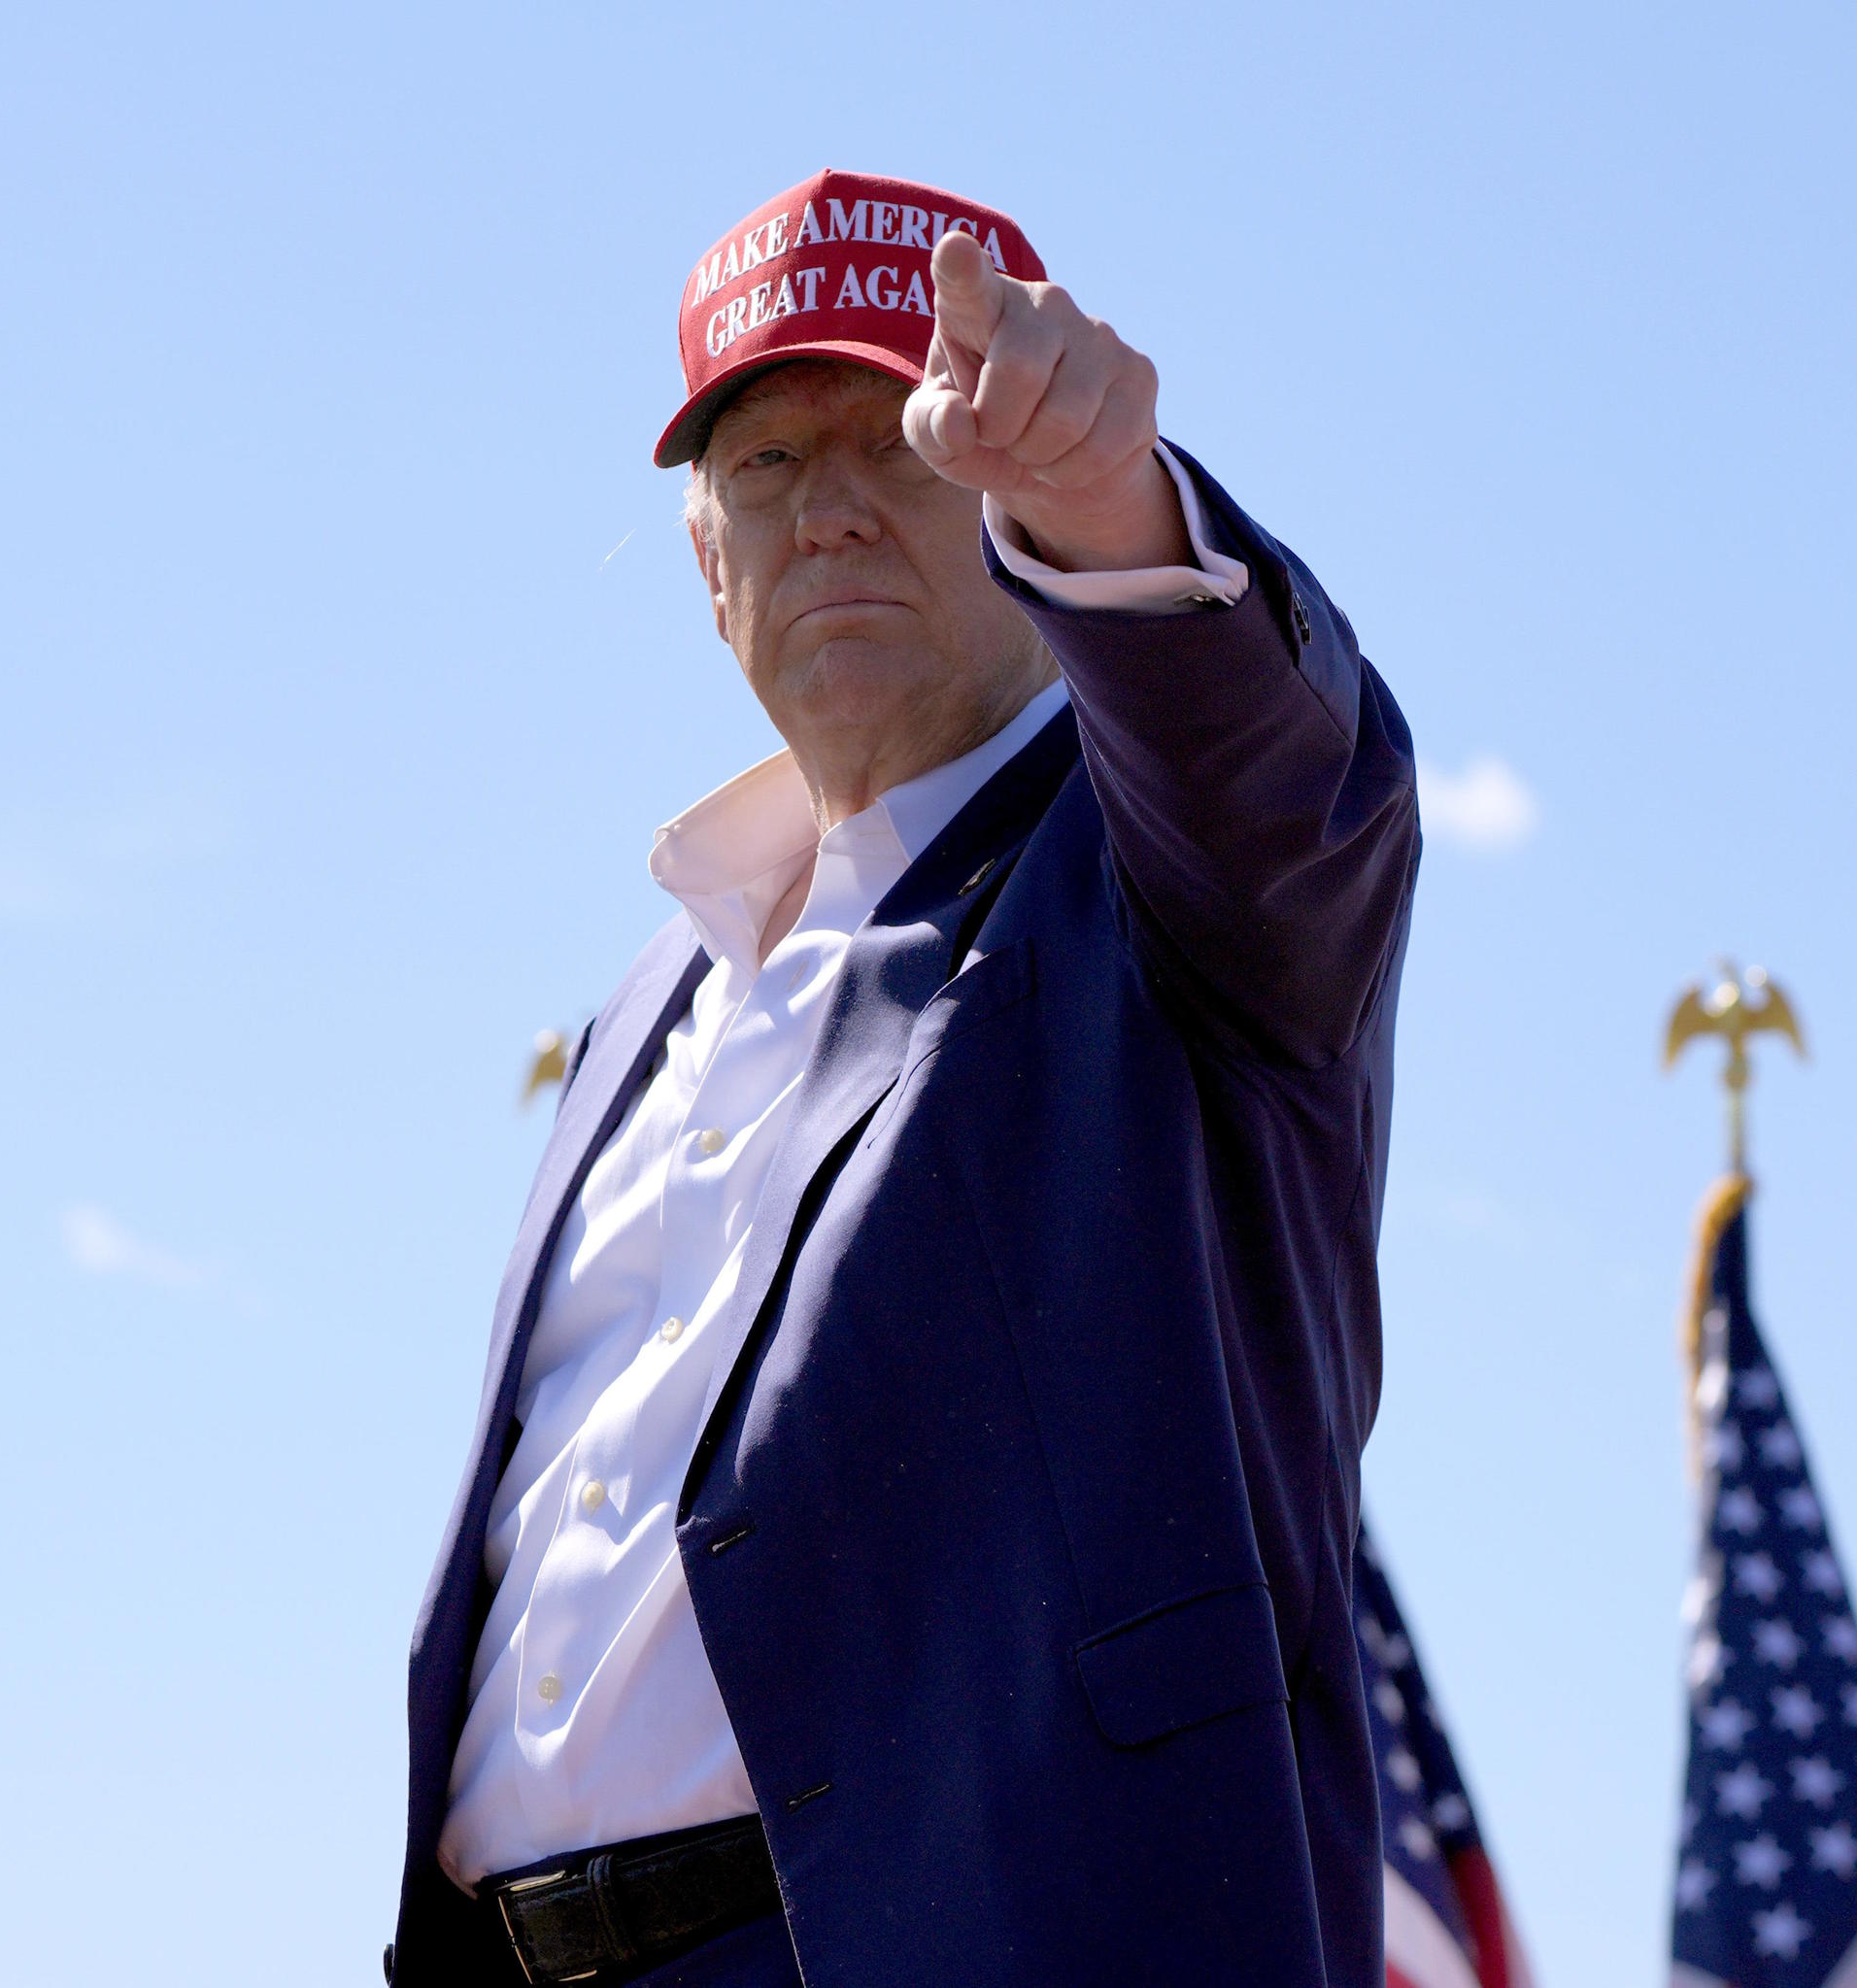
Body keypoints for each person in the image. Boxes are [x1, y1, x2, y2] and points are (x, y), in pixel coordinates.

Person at [385, 169, 1418, 1988]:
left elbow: (1283, 775)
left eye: (900, 443)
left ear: (1010, 505)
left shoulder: (1170, 892)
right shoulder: (646, 1012)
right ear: (710, 564)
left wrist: (1118, 509)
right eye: (768, 468)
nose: (837, 512)